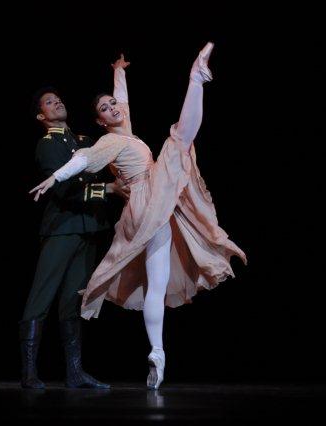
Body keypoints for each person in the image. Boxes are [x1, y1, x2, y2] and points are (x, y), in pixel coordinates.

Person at [30, 43, 247, 390]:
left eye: (113, 105)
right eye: (105, 109)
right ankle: (196, 78)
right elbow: (84, 159)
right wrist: (56, 177)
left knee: (156, 285)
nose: (113, 108)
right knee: (178, 140)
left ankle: (157, 354)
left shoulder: (124, 130)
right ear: (100, 121)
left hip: (148, 203)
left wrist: (120, 72)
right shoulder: (109, 143)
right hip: (149, 198)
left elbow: (122, 101)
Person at [20, 87, 128, 389]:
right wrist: (107, 190)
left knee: (73, 301)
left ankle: (75, 372)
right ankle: (29, 374)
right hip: (63, 228)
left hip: (89, 228)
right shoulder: (47, 145)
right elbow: (61, 189)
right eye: (49, 103)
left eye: (58, 99)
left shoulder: (82, 140)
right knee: (41, 297)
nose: (57, 103)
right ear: (42, 116)